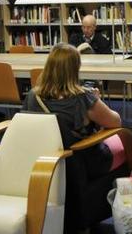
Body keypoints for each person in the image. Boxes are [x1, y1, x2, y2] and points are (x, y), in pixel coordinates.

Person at [22, 43, 122, 178]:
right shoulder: (83, 98)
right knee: (122, 140)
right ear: (74, 69)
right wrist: (97, 99)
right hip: (80, 162)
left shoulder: (33, 96)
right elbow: (115, 122)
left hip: (43, 161)